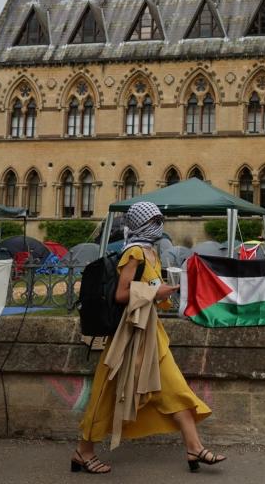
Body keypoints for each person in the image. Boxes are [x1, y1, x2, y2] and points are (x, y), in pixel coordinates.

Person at [73, 201, 225, 474]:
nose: (159, 225)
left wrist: (167, 293)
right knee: (106, 394)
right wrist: (157, 292)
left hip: (150, 334)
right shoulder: (133, 253)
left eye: (160, 219)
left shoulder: (150, 252)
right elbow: (120, 294)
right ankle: (83, 452)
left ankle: (194, 447)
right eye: (154, 220)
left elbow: (149, 290)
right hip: (128, 336)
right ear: (142, 223)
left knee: (175, 388)